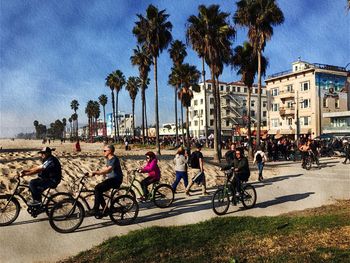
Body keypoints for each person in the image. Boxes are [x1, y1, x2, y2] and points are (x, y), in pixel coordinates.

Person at [90, 144, 123, 216]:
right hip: (111, 179)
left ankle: (96, 209)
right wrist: (95, 172)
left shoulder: (114, 159)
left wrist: (97, 173)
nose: (103, 152)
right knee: (98, 189)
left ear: (110, 151)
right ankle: (105, 209)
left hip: (116, 180)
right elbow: (105, 169)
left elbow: (108, 170)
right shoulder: (109, 159)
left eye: (105, 151)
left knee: (98, 188)